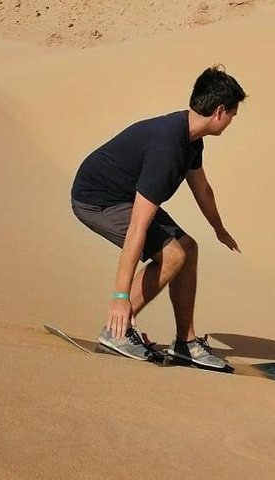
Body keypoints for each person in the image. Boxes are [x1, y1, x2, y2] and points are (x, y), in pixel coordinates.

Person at [70, 64, 246, 369]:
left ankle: (185, 343)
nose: (232, 120)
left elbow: (202, 189)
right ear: (219, 111)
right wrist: (120, 295)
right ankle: (117, 331)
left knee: (189, 248)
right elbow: (138, 227)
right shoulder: (167, 148)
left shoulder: (190, 138)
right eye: (232, 114)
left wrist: (219, 229)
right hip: (97, 200)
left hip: (122, 194)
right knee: (174, 255)